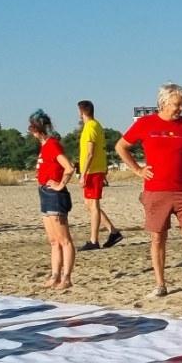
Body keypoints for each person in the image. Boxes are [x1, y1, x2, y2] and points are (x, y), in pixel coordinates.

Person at [117, 82, 182, 297]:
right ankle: (160, 285)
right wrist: (138, 169)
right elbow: (121, 146)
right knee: (158, 238)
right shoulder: (145, 123)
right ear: (164, 103)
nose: (181, 109)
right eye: (177, 105)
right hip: (155, 191)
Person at [27, 111, 76, 291]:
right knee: (53, 240)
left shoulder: (53, 145)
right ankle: (55, 275)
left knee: (64, 240)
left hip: (55, 196)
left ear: (38, 129)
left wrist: (60, 184)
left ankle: (67, 277)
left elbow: (69, 167)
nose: (31, 132)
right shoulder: (45, 146)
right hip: (44, 193)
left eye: (32, 128)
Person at [76, 101, 125, 251]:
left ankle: (94, 240)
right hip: (96, 170)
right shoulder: (96, 126)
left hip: (92, 171)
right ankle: (113, 231)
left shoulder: (91, 127)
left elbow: (91, 152)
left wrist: (83, 173)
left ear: (82, 112)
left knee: (94, 205)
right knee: (88, 204)